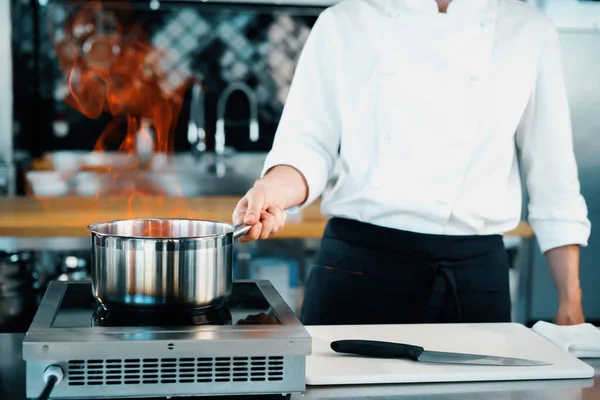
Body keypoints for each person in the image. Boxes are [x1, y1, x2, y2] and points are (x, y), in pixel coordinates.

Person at [232, 0, 591, 326]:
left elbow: (553, 177)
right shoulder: (345, 21)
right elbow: (306, 148)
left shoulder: (529, 29)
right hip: (358, 269)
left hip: (474, 280)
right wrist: (270, 191)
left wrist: (570, 301)